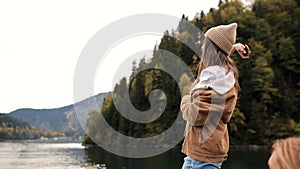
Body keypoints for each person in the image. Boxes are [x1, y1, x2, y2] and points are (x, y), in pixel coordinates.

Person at [180, 23, 251, 169]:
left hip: (205, 156)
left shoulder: (217, 84)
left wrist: (185, 100)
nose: (203, 47)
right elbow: (210, 63)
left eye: (206, 44)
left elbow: (195, 115)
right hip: (197, 153)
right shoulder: (217, 74)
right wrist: (232, 47)